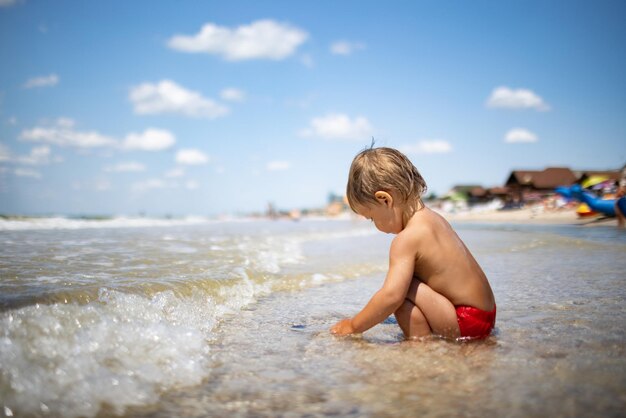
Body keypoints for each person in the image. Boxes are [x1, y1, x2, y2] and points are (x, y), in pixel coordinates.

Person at [331, 147, 496, 340]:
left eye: (372, 218)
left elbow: (391, 296)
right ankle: (422, 337)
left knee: (401, 291)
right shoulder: (434, 219)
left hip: (465, 322)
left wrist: (353, 325)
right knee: (407, 285)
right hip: (486, 315)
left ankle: (419, 343)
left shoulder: (405, 239)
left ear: (385, 200)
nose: (376, 226)